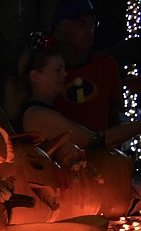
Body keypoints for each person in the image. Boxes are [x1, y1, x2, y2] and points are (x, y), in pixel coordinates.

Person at [17, 31, 141, 160]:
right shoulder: (37, 115)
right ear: (35, 76)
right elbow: (91, 141)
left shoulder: (44, 110)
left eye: (64, 68)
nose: (65, 74)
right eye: (57, 70)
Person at [51, 0, 124, 133]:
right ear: (60, 29)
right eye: (80, 24)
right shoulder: (48, 69)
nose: (89, 30)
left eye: (92, 24)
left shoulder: (106, 66)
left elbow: (114, 116)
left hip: (99, 149)